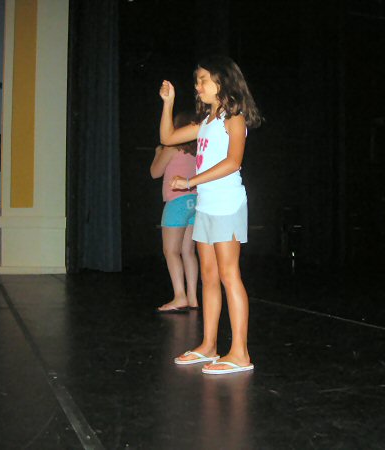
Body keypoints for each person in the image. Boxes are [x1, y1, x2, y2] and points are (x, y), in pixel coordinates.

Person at [158, 55, 261, 374]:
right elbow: (167, 138)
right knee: (208, 276)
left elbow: (233, 162)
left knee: (229, 275)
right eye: (197, 81)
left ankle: (240, 353)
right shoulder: (205, 122)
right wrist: (168, 103)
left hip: (227, 203)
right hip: (205, 204)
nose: (198, 86)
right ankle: (209, 345)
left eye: (203, 79)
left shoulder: (234, 118)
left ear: (222, 82)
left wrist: (190, 181)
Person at [150, 112, 199, 313]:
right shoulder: (197, 149)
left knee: (171, 251)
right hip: (195, 201)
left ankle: (180, 296)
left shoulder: (171, 147)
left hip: (177, 202)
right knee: (188, 251)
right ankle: (193, 297)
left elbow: (155, 172)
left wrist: (158, 153)